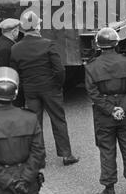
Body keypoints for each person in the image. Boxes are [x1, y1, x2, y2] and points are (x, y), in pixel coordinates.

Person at [10, 11, 79, 166]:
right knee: (58, 120)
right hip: (50, 88)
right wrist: (57, 85)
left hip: (30, 90)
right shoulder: (48, 44)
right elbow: (59, 70)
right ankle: (66, 155)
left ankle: (39, 158)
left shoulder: (15, 49)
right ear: (37, 26)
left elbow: (16, 74)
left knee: (35, 123)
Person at [85, 27, 126, 194]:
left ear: (98, 45)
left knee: (107, 150)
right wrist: (123, 108)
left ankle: (109, 190)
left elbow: (93, 93)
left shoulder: (91, 67)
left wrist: (111, 110)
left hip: (104, 114)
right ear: (116, 43)